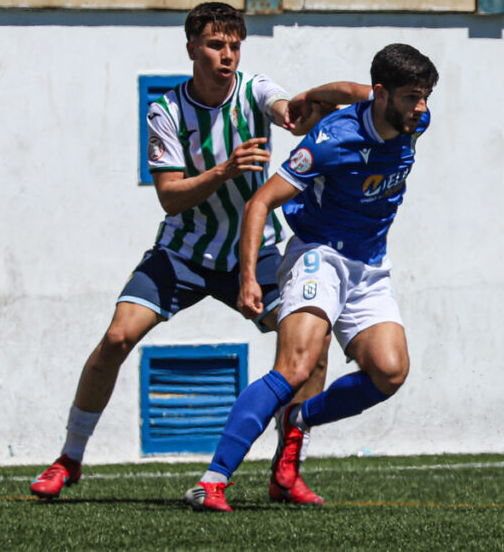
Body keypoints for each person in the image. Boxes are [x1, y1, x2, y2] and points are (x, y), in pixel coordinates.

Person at [30, 2, 367, 505]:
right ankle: (70, 458)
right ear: (191, 48)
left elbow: (284, 110)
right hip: (184, 252)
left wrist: (304, 110)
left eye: (234, 45)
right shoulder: (165, 110)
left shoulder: (255, 89)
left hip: (259, 251)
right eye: (215, 45)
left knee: (310, 348)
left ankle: (286, 468)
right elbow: (169, 195)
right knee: (118, 338)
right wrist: (224, 171)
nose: (227, 55)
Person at [182, 42, 437, 512]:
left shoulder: (411, 120)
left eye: (425, 96)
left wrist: (306, 94)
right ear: (382, 94)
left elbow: (346, 87)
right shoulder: (332, 138)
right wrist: (248, 280)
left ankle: (298, 419)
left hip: (370, 265)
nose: (422, 108)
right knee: (296, 366)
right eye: (412, 97)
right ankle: (212, 480)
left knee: (390, 372)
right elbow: (260, 203)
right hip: (318, 255)